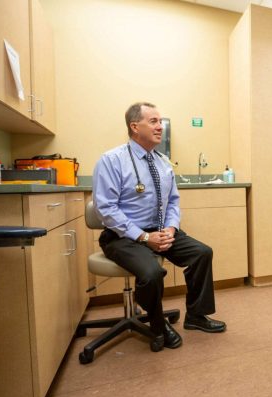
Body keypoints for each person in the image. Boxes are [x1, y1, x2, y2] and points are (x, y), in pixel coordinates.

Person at [93, 102, 226, 353]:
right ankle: (157, 324)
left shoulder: (163, 162)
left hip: (161, 230)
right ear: (135, 126)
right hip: (123, 235)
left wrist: (171, 229)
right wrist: (144, 236)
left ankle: (196, 316)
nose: (160, 126)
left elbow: (173, 201)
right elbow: (106, 209)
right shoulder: (112, 160)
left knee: (201, 253)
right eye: (153, 121)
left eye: (160, 121)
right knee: (152, 272)